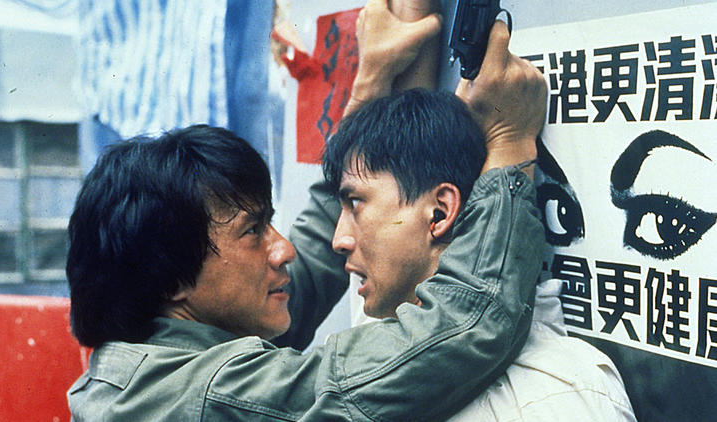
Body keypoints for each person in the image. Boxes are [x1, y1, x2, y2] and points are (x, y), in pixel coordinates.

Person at [66, 1, 546, 420]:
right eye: (253, 231)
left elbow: (313, 258)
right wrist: (510, 144)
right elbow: (462, 331)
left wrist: (369, 85)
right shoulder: (199, 395)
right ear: (171, 279)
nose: (285, 250)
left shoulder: (155, 357)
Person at [326, 88, 637, 421]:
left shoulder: (553, 398)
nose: (338, 240)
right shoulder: (379, 354)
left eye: (355, 203)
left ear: (439, 212)